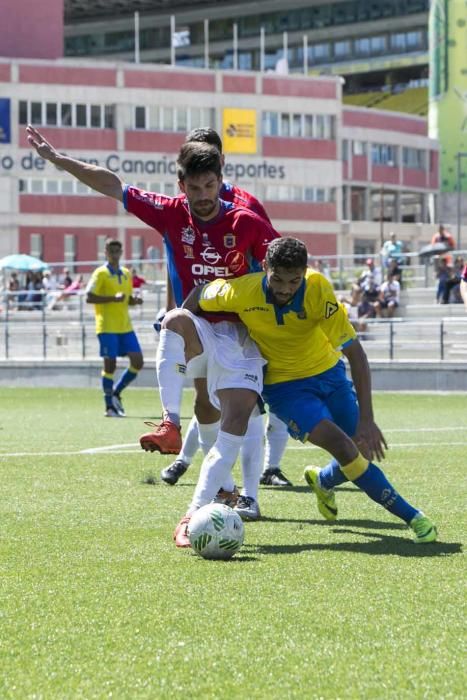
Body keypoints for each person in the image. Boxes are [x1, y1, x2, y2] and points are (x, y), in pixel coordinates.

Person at [26, 125, 278, 515]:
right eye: (194, 189)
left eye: (209, 186)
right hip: (198, 325)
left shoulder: (246, 217)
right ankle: (171, 427)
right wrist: (60, 162)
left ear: (220, 177)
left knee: (242, 412)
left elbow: (281, 262)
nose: (203, 197)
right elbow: (115, 186)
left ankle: (248, 494)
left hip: (242, 332)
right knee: (175, 325)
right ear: (182, 185)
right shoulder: (171, 213)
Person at [184, 237, 437, 545]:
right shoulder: (241, 291)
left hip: (330, 374)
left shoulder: (317, 287)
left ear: (305, 272)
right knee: (345, 449)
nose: (285, 288)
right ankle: (415, 518)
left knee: (358, 446)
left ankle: (323, 479)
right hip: (285, 390)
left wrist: (368, 420)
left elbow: (356, 353)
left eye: (294, 280)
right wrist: (178, 338)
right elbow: (199, 295)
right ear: (264, 268)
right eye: (277, 279)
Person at [161, 126, 290, 489]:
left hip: (245, 319)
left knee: (253, 400)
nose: (202, 188)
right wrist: (172, 308)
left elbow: (275, 255)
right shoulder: (182, 206)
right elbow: (175, 260)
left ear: (221, 164)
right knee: (205, 397)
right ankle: (209, 476)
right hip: (199, 316)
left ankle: (262, 475)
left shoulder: (245, 205)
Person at [85, 238, 144, 417]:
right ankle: (109, 406)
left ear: (121, 252)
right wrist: (112, 298)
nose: (115, 254)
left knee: (138, 362)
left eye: (117, 251)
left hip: (125, 326)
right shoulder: (100, 273)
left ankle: (116, 392)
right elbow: (89, 296)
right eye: (111, 251)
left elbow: (127, 298)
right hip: (107, 327)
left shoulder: (126, 273)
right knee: (110, 366)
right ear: (106, 253)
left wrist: (135, 301)